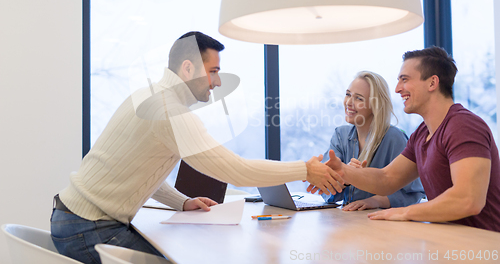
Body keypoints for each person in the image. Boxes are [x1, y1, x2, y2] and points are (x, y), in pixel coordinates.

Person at [51, 31, 343, 264]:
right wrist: (305, 169)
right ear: (188, 68)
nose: (217, 82)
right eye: (213, 71)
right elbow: (237, 171)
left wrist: (181, 202)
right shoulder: (170, 112)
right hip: (88, 228)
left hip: (73, 218)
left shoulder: (147, 96)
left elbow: (141, 170)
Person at [310, 47, 500, 232]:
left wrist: (405, 212)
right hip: (450, 241)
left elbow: (468, 200)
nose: (397, 88)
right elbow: (387, 178)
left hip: (484, 244)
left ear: (432, 83)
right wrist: (343, 171)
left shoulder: (463, 126)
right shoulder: (421, 134)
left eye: (405, 80)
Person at [322, 71, 425, 210]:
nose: (349, 103)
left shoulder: (394, 138)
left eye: (359, 98)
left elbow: (414, 194)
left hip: (382, 224)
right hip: (348, 220)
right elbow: (325, 189)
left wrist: (376, 201)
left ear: (374, 106)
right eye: (348, 94)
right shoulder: (340, 135)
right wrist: (344, 177)